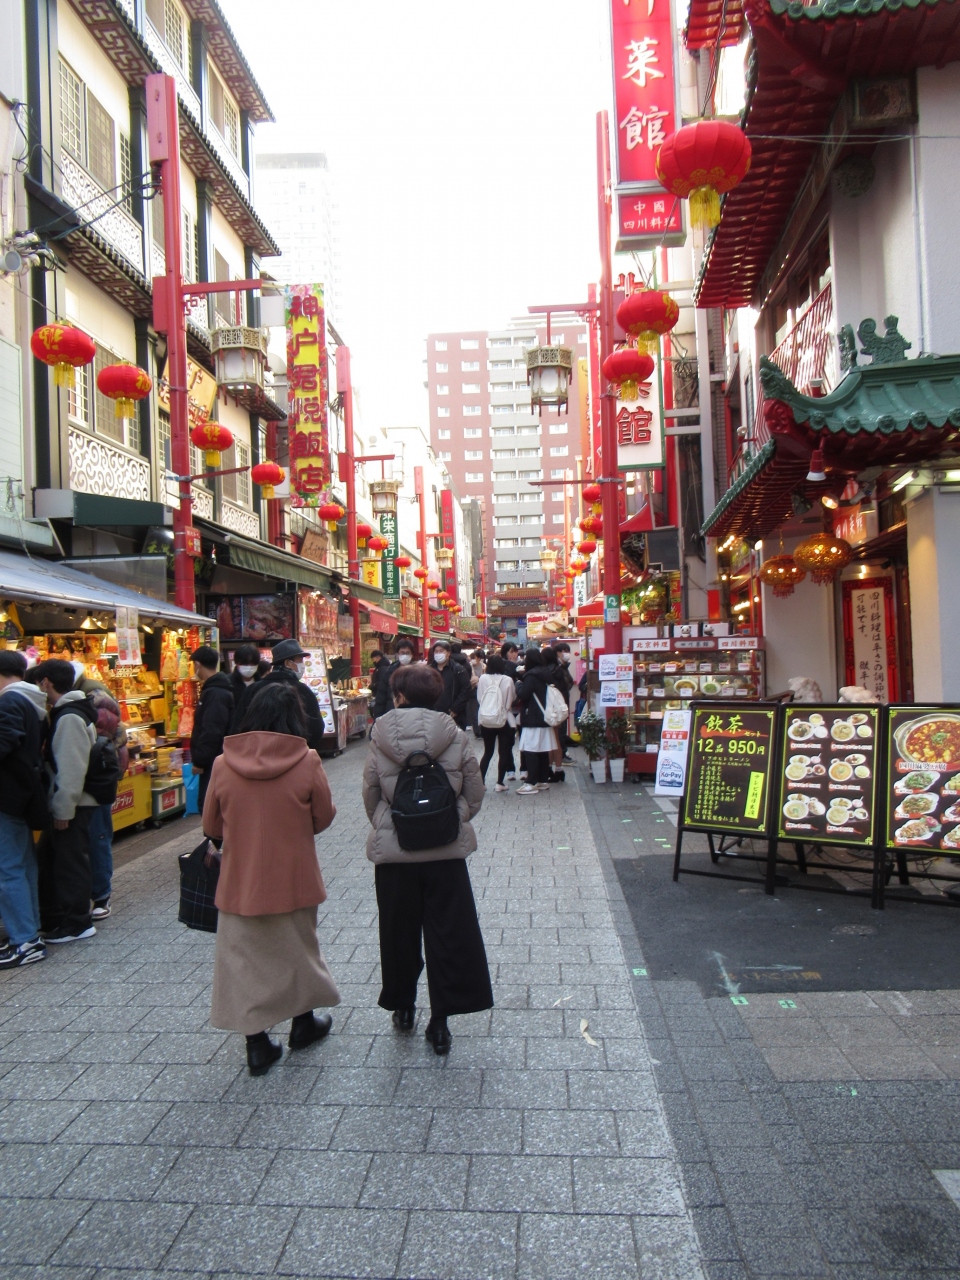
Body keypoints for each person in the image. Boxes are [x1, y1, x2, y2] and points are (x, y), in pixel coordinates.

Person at [204, 681, 339, 1076]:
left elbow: (211, 826)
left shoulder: (223, 763)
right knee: (298, 950)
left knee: (244, 961)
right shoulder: (307, 760)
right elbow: (323, 817)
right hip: (295, 876)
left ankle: (256, 1043)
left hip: (240, 880)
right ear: (294, 717)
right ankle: (303, 1023)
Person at [363, 662, 491, 1055]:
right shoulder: (453, 735)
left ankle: (403, 1006)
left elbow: (371, 794)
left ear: (398, 696)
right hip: (445, 853)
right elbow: (474, 791)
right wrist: (451, 819)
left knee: (397, 933)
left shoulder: (379, 735)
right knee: (449, 934)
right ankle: (440, 1022)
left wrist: (390, 823)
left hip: (395, 856)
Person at [33, 658, 98, 944]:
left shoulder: (69, 717)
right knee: (55, 859)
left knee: (70, 863)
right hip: (75, 803)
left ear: (46, 682)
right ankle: (61, 918)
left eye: (38, 683)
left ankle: (77, 922)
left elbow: (71, 769)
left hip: (74, 805)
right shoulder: (72, 710)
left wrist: (63, 809)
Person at [0, 652, 48, 967]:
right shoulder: (33, 702)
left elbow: (5, 741)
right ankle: (30, 930)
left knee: (8, 868)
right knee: (22, 864)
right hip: (23, 795)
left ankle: (25, 940)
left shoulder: (9, 702)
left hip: (7, 795)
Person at [233, 638, 325, 753]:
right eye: (300, 660)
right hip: (293, 756)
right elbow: (316, 729)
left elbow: (238, 726)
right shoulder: (303, 691)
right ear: (287, 663)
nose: (302, 665)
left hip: (256, 756)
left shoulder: (252, 689)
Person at [85, 691, 127, 920]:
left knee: (97, 837)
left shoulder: (91, 702)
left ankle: (101, 896)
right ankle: (99, 895)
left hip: (95, 783)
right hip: (104, 780)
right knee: (98, 836)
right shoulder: (100, 699)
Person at [189, 647, 235, 812]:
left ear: (197, 665)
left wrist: (200, 760)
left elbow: (212, 729)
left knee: (209, 805)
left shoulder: (215, 693)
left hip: (213, 760)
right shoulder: (216, 689)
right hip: (216, 758)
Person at [513, 648, 554, 795]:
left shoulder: (531, 675)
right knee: (542, 750)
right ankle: (542, 779)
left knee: (530, 750)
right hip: (545, 715)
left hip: (532, 716)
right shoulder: (546, 673)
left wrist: (519, 684)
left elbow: (524, 694)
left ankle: (531, 782)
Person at [476, 655, 517, 792]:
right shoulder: (508, 680)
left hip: (486, 718)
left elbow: (479, 698)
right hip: (504, 718)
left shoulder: (482, 678)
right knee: (503, 752)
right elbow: (512, 698)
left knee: (488, 752)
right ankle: (500, 783)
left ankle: (481, 783)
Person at [429, 639, 471, 728]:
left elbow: (466, 689)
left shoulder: (458, 670)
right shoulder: (429, 670)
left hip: (453, 714)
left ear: (448, 653)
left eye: (441, 651)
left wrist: (456, 708)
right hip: (433, 713)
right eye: (436, 651)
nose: (438, 654)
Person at [372, 639, 415, 719]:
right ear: (398, 654)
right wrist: (377, 718)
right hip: (391, 715)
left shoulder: (418, 674)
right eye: (402, 653)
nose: (405, 655)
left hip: (412, 716)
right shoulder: (389, 672)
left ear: (412, 655)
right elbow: (381, 699)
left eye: (407, 653)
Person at [552, 643, 576, 763]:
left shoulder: (564, 667)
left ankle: (562, 754)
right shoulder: (557, 668)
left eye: (568, 651)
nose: (567, 654)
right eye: (564, 651)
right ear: (558, 653)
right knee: (560, 731)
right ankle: (561, 755)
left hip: (563, 702)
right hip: (559, 704)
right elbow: (566, 683)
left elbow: (570, 682)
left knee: (561, 730)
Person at [228, 644, 264, 713]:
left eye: (253, 664)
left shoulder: (262, 684)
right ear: (236, 662)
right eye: (245, 664)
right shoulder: (228, 683)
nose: (249, 667)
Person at [367, 650, 392, 728]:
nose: (373, 661)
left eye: (373, 658)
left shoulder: (382, 668)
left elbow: (381, 682)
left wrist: (372, 686)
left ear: (378, 658)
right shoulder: (380, 667)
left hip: (380, 696)